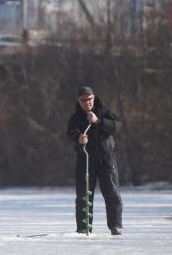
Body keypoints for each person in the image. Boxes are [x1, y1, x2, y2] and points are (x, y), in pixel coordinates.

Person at [66, 86, 123, 235]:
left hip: (106, 159)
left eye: (89, 99)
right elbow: (70, 132)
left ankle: (115, 226)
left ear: (94, 97)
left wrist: (98, 121)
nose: (87, 103)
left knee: (112, 192)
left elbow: (116, 126)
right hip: (85, 159)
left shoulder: (105, 111)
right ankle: (83, 228)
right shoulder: (76, 117)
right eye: (83, 100)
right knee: (83, 195)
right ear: (79, 101)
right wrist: (79, 138)